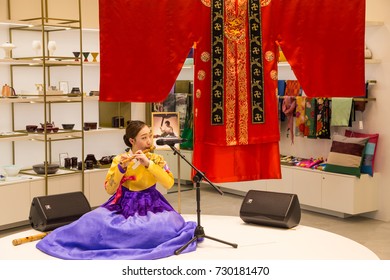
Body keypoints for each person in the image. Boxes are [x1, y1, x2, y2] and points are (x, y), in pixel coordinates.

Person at [36, 120, 197, 260]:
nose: (149, 141)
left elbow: (169, 183)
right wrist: (121, 168)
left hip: (151, 203)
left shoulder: (156, 159)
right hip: (123, 203)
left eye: (149, 135)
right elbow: (109, 189)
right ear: (132, 141)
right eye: (144, 137)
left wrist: (149, 164)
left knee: (159, 226)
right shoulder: (120, 159)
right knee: (91, 220)